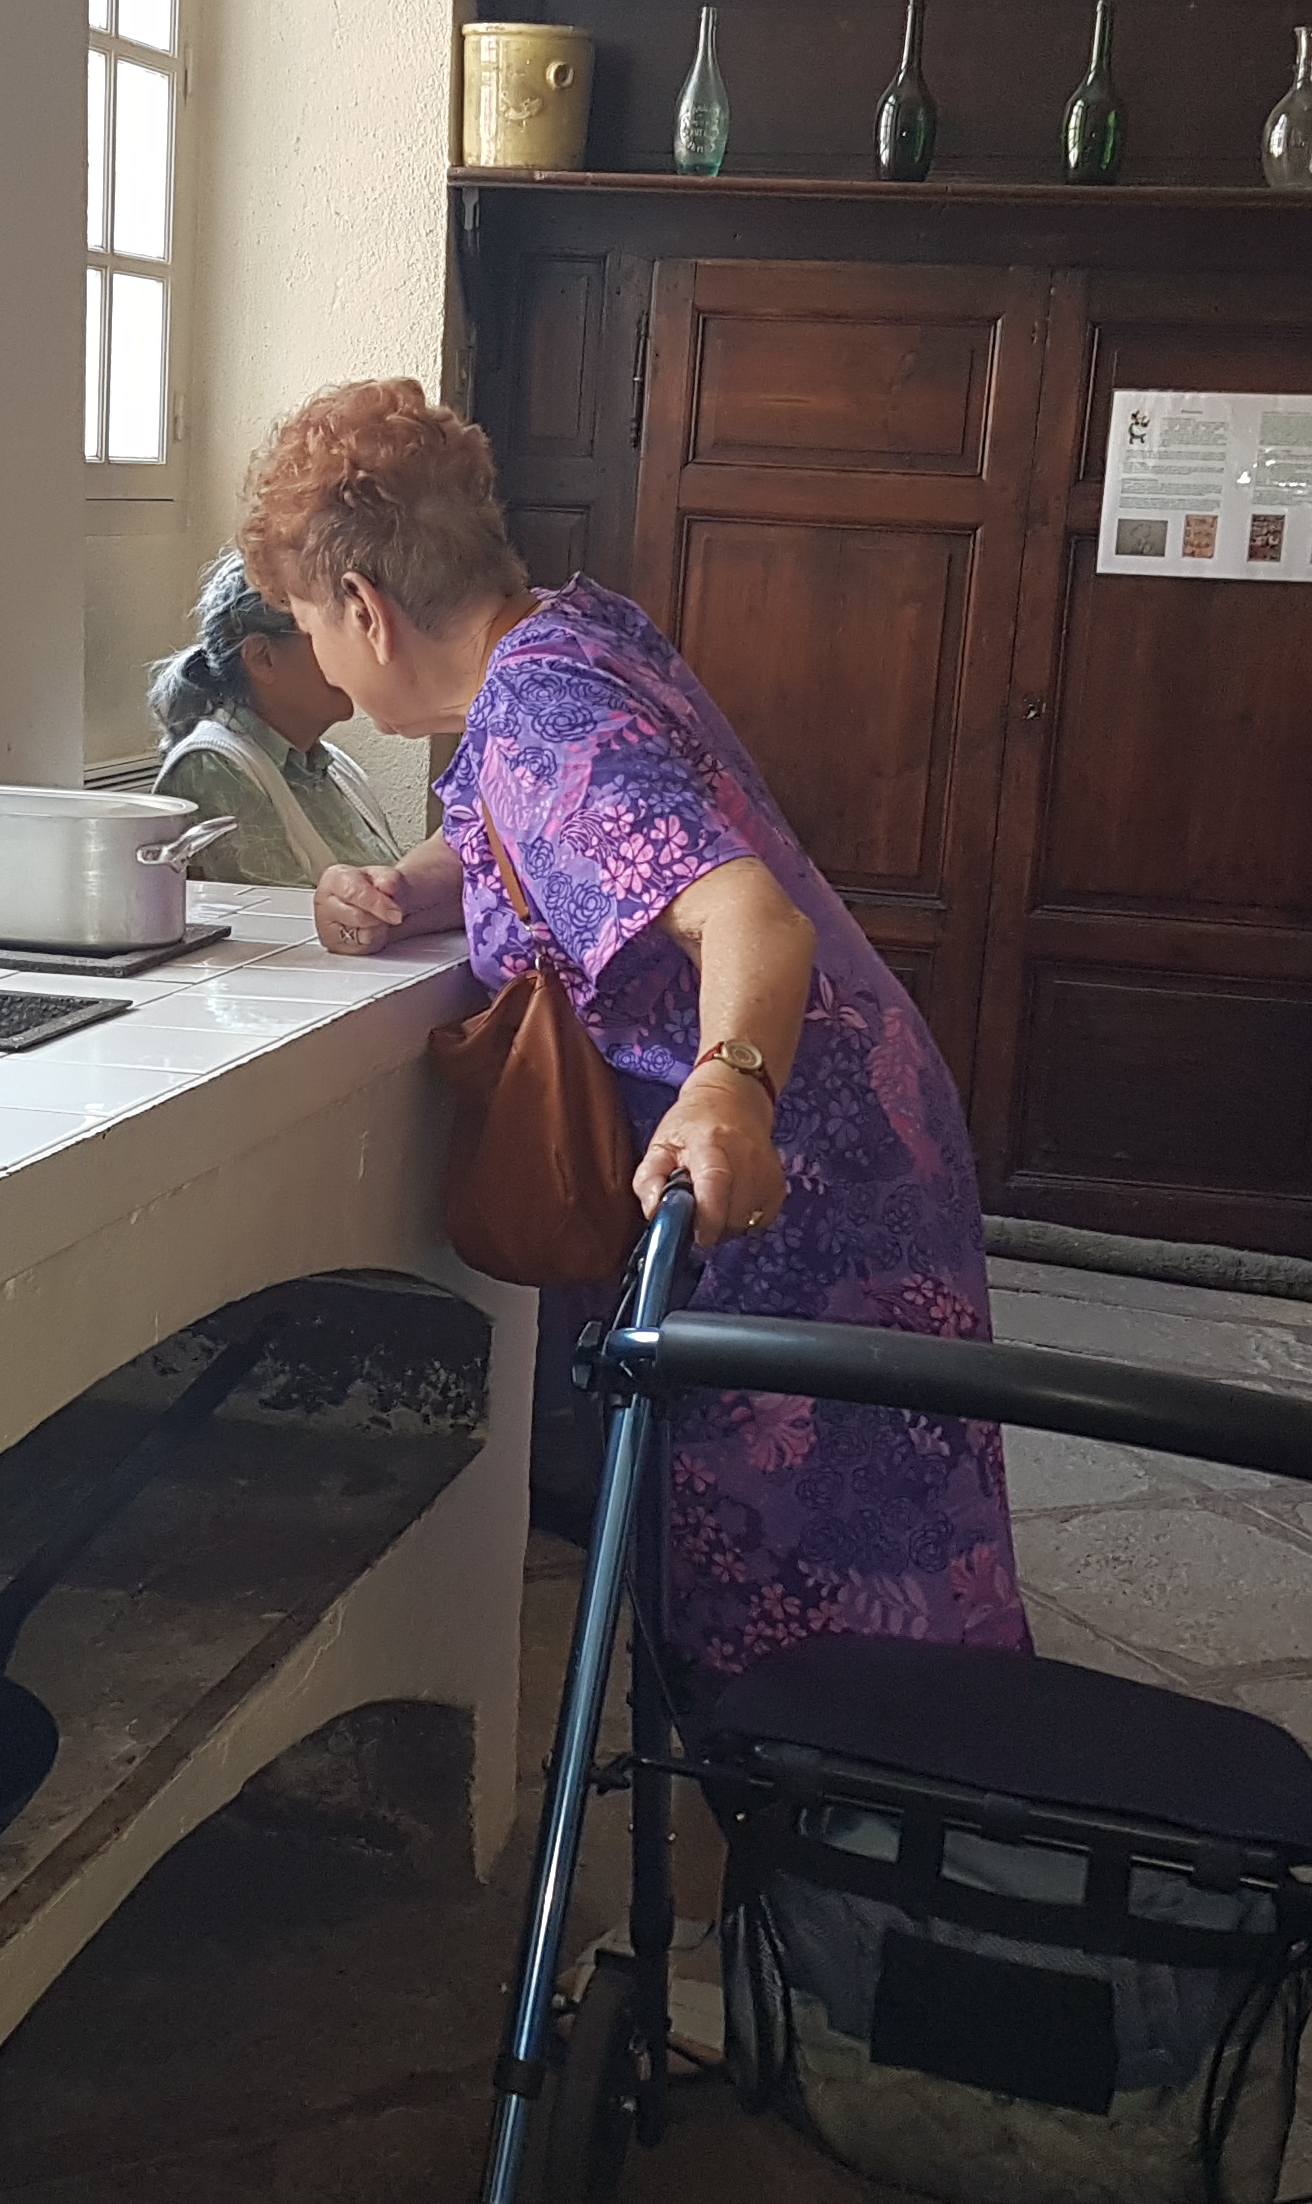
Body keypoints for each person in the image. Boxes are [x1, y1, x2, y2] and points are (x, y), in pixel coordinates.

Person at [235, 376, 1024, 1681]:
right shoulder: (566, 641)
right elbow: (552, 829)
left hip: (780, 1184)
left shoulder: (541, 718)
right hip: (858, 1123)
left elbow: (749, 918)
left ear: (365, 609)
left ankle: (835, 1805)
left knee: (816, 1608)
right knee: (894, 1558)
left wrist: (725, 1092)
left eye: (312, 623)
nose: (319, 659)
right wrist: (404, 889)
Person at [145, 547, 410, 886]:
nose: (357, 653)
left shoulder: (337, 768)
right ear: (262, 658)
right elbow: (282, 912)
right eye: (327, 634)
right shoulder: (209, 769)